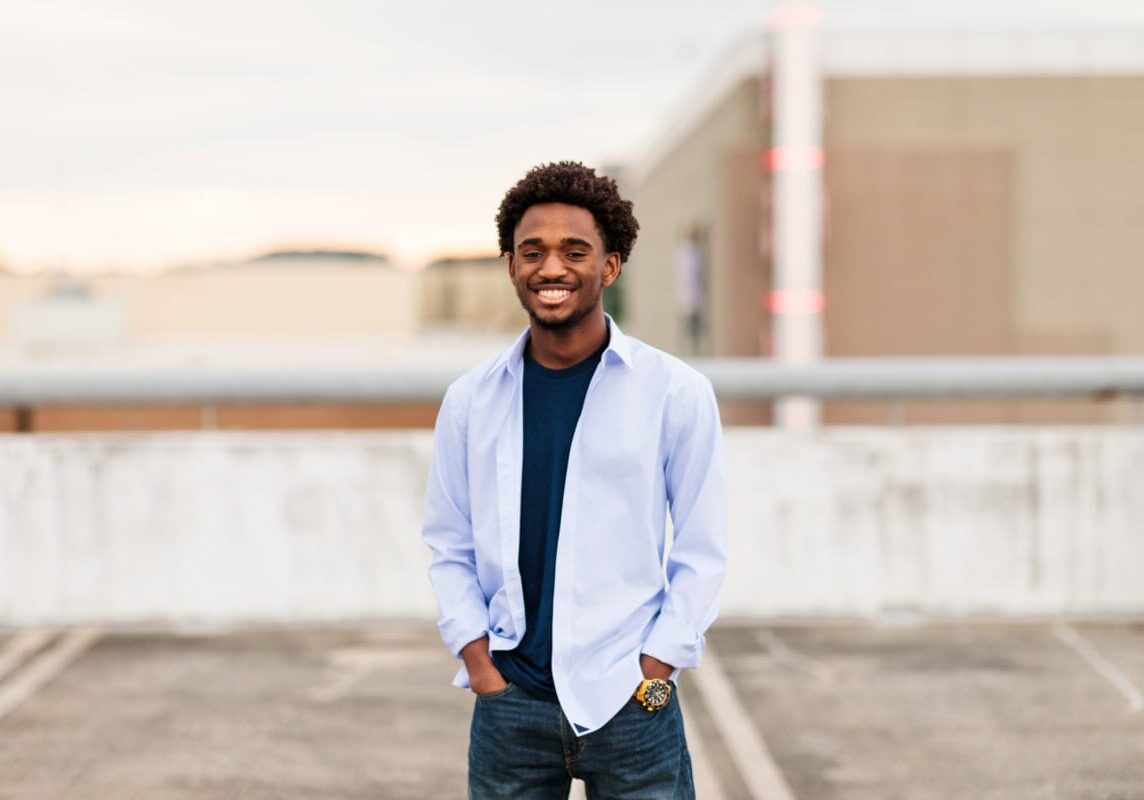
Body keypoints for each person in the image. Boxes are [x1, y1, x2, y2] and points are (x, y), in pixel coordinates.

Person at [422, 161, 726, 799]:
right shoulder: (472, 400)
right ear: (511, 265)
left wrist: (655, 669)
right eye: (532, 252)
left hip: (629, 704)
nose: (551, 268)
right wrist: (479, 664)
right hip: (511, 706)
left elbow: (701, 549)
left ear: (610, 266)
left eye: (574, 251)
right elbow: (448, 542)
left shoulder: (674, 393)